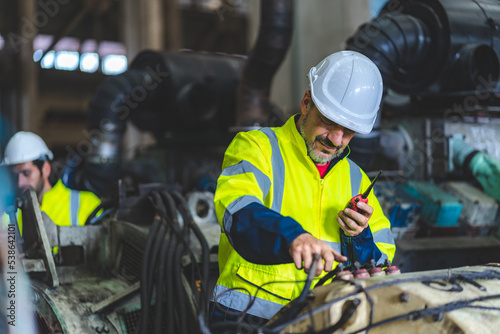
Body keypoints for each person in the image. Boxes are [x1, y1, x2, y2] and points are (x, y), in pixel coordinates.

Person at [210, 51, 396, 323]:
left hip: (322, 319)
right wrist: (293, 237)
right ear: (307, 103)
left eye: (348, 131)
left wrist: (358, 236)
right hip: (246, 317)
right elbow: (238, 213)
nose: (336, 139)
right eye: (329, 122)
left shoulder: (357, 179)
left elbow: (381, 264)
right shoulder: (257, 148)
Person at [1, 131, 101, 234]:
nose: (20, 183)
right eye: (14, 176)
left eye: (26, 173)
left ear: (45, 169)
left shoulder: (88, 204)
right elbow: (9, 249)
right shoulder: (7, 217)